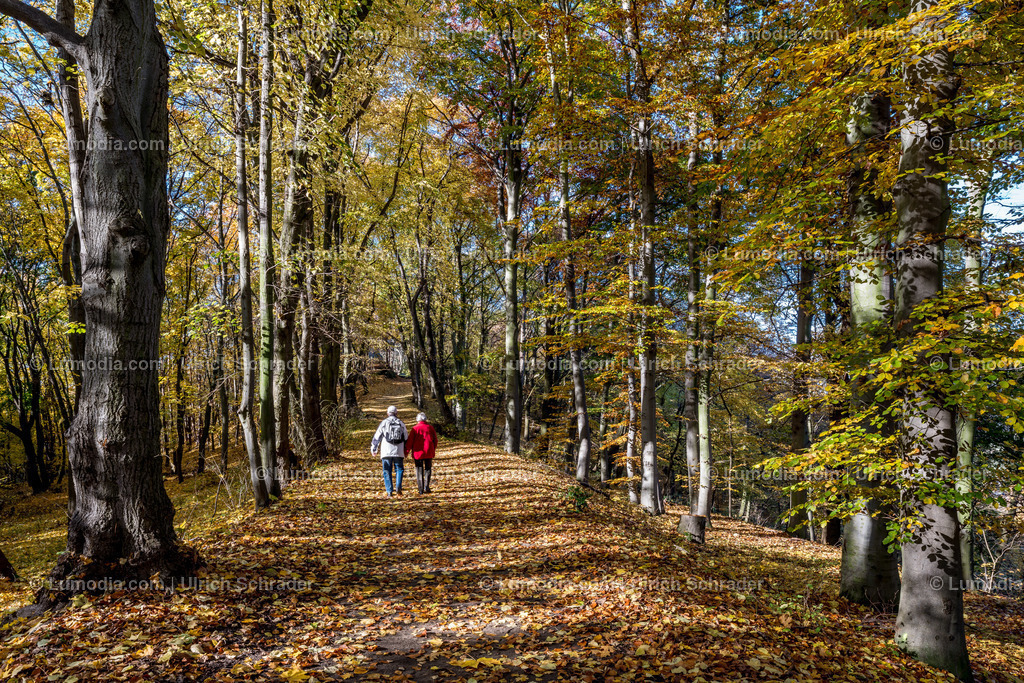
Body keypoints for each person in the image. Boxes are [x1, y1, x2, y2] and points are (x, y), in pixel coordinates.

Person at [370, 405, 408, 497]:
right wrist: (406, 450)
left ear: (387, 413)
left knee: (387, 470)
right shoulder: (401, 423)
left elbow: (377, 437)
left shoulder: (384, 423)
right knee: (399, 469)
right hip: (398, 451)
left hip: (386, 451)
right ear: (396, 413)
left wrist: (374, 448)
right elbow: (406, 438)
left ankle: (389, 491)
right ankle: (398, 487)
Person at [407, 412, 438, 494]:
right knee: (428, 469)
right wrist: (433, 449)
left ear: (418, 420)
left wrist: (406, 451)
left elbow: (410, 441)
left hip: (418, 453)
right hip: (428, 452)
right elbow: (435, 440)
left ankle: (420, 489)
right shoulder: (430, 428)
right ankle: (427, 487)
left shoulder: (415, 429)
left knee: (419, 470)